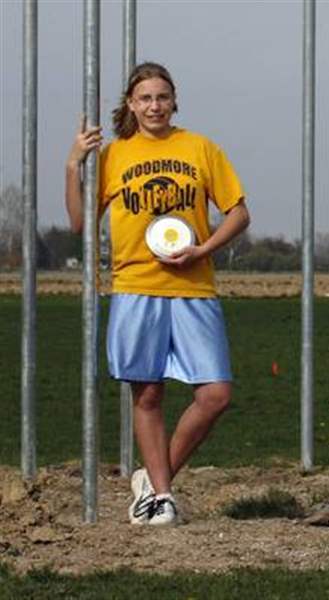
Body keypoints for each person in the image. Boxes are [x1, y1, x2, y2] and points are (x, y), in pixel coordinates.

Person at [66, 62, 251, 526]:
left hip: (194, 287)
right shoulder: (115, 156)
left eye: (162, 97)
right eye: (145, 98)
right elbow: (80, 224)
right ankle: (162, 496)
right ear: (131, 103)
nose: (154, 106)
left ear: (174, 101)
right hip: (136, 288)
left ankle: (152, 476)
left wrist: (204, 247)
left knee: (216, 395)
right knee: (147, 394)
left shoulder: (200, 148)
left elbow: (238, 212)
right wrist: (74, 165)